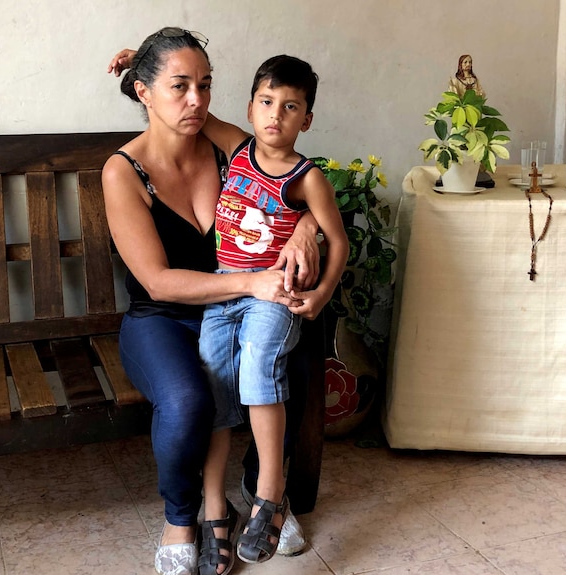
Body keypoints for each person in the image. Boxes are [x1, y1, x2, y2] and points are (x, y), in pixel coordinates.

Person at [103, 28, 321, 575]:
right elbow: (157, 281)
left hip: (234, 311)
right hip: (163, 320)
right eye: (180, 87)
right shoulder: (121, 171)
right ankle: (184, 515)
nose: (196, 101)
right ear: (142, 93)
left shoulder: (225, 142)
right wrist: (251, 283)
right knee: (187, 401)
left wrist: (307, 227)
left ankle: (259, 491)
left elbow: (298, 174)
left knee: (291, 354)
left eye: (205, 85)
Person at [196, 55, 348, 574]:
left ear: (306, 119)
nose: (275, 116)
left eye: (290, 107)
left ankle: (268, 495)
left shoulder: (307, 179)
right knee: (213, 377)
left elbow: (338, 240)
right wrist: (139, 62)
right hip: (223, 291)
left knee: (260, 363)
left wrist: (322, 293)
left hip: (274, 296)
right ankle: (216, 498)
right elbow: (188, 103)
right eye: (266, 102)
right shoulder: (237, 147)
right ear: (250, 106)